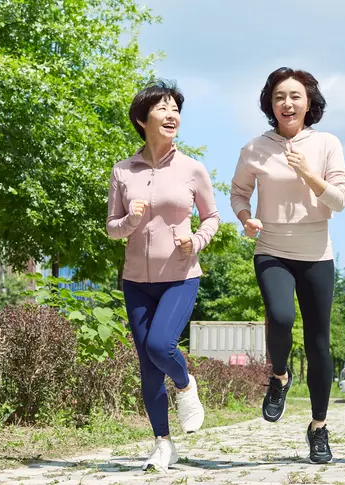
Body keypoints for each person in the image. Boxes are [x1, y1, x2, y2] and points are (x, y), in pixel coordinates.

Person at [230, 67, 345, 464]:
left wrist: (309, 174)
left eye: (295, 96)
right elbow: (238, 192)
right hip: (272, 247)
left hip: (316, 252)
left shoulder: (327, 143)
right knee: (280, 318)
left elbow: (339, 200)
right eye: (280, 96)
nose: (287, 103)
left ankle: (318, 426)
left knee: (319, 343)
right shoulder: (254, 148)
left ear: (309, 102)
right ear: (270, 103)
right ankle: (279, 376)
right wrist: (245, 217)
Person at [106, 79, 220, 473]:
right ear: (143, 119)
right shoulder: (123, 171)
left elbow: (211, 217)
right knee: (148, 365)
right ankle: (163, 444)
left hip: (180, 276)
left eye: (176, 109)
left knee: (160, 345)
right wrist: (130, 220)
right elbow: (112, 227)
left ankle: (186, 385)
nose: (172, 115)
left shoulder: (192, 169)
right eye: (163, 108)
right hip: (136, 280)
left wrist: (197, 241)